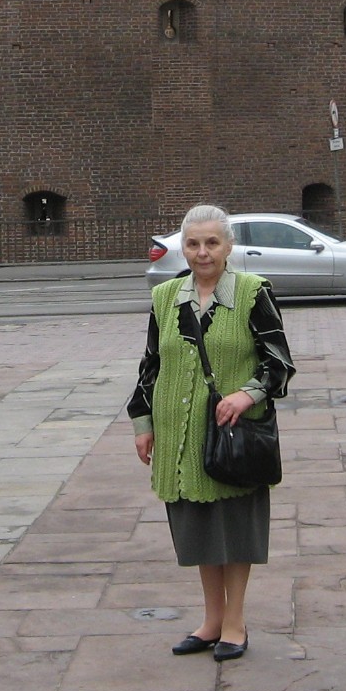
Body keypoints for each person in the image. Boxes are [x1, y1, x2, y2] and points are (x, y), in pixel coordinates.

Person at [129, 205, 295, 662]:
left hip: (232, 434)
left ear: (228, 247)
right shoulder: (165, 296)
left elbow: (279, 361)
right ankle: (211, 620)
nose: (203, 253)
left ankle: (236, 622)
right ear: (184, 247)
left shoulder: (252, 291)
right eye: (193, 243)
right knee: (200, 528)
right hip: (178, 431)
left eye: (212, 243)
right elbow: (151, 364)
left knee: (236, 528)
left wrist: (247, 394)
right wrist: (143, 423)